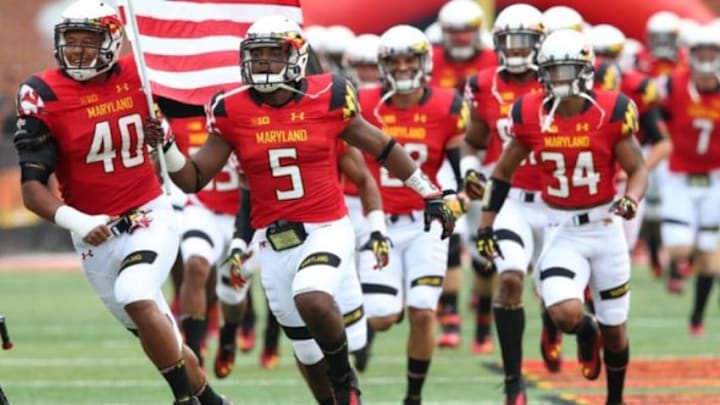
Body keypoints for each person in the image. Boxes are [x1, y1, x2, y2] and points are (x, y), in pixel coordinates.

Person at [160, 15, 456, 405]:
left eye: (273, 53)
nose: (264, 63)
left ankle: (346, 377)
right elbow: (193, 179)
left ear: (296, 57)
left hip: (326, 227)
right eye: (257, 54)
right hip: (273, 240)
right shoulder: (232, 110)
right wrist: (164, 143)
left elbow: (382, 147)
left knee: (312, 296)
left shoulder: (328, 95)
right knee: (307, 354)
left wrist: (429, 192)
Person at [12, 1, 230, 404]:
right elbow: (33, 190)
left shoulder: (141, 77)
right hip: (95, 238)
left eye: (88, 40)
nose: (77, 50)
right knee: (163, 339)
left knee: (135, 290)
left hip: (148, 215)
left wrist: (164, 140)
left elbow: (183, 176)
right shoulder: (42, 93)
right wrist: (78, 221)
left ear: (113, 40)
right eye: (70, 41)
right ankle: (212, 400)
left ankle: (182, 401)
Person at [476, 30, 648, 405]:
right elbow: (503, 171)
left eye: (568, 70)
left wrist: (631, 199)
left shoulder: (612, 109)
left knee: (616, 330)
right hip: (561, 227)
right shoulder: (529, 112)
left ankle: (614, 399)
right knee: (564, 313)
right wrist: (487, 222)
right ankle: (586, 332)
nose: (561, 79)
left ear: (586, 70)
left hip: (605, 226)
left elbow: (638, 168)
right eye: (553, 71)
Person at [357, 24, 467, 405]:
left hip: (426, 222)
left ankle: (413, 397)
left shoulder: (448, 104)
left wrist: (463, 193)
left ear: (425, 62)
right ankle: (392, 301)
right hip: (379, 222)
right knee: (384, 316)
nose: (403, 68)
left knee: (423, 310)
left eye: (410, 59)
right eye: (395, 60)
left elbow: (459, 161)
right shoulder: (364, 101)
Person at [462, 4, 545, 403]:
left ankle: (574, 327)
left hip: (561, 200)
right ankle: (514, 381)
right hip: (509, 193)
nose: (514, 50)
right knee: (510, 278)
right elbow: (473, 139)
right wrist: (468, 167)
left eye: (523, 41)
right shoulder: (482, 84)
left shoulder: (560, 81)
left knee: (562, 301)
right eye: (507, 42)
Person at [659, 25, 720, 334]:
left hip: (716, 175)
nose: (708, 58)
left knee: (712, 257)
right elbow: (654, 117)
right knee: (681, 247)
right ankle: (677, 266)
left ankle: (696, 316)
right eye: (702, 52)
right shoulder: (673, 85)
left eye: (714, 52)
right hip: (680, 172)